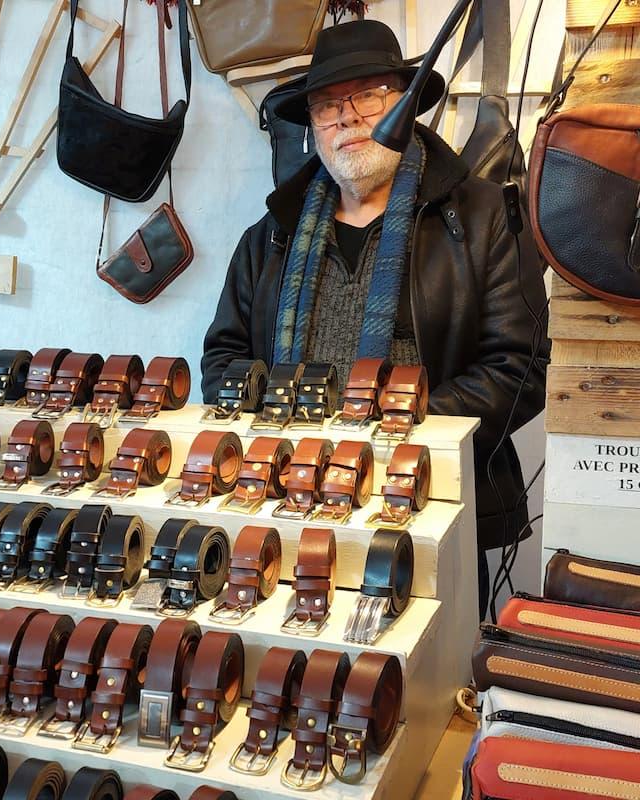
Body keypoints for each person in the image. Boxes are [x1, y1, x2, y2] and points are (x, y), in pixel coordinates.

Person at [200, 19, 549, 619]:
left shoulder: (483, 218)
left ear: (406, 104)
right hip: (291, 509)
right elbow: (222, 361)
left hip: (431, 501)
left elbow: (520, 368)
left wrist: (397, 429)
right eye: (327, 105)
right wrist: (282, 440)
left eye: (368, 95)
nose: (347, 118)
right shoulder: (270, 237)